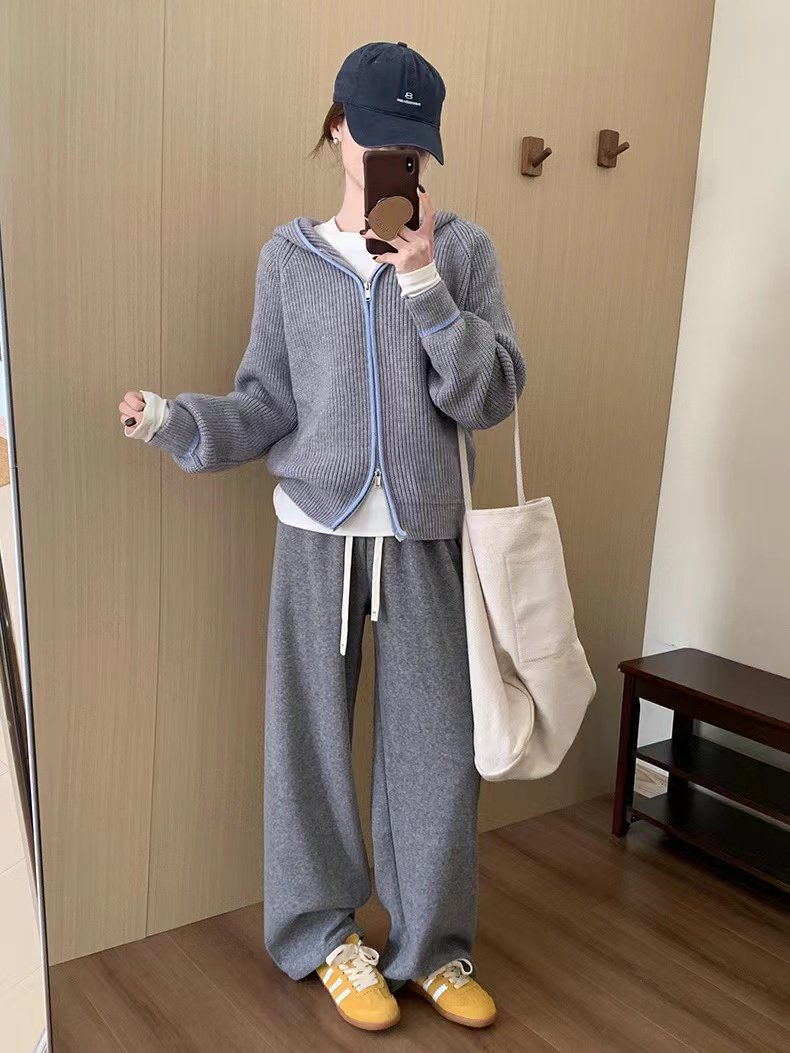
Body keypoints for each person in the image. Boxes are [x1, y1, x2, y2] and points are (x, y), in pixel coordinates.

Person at [119, 40, 525, 1033]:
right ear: (337, 127)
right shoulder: (287, 261)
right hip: (314, 533)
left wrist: (426, 287)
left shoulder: (464, 251)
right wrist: (176, 421)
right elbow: (266, 404)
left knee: (438, 751)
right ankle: (323, 936)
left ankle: (435, 947)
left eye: (410, 145)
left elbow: (491, 396)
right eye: (375, 137)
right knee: (305, 745)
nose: (392, 159)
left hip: (426, 537)